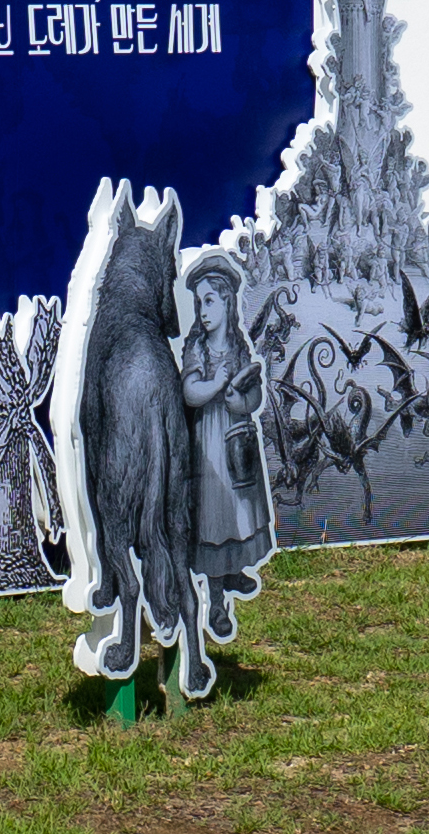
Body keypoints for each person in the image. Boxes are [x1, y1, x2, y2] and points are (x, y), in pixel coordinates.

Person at [180, 254, 275, 642]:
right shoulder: (197, 349)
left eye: (210, 301)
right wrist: (216, 385)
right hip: (210, 446)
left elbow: (254, 392)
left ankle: (236, 569)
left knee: (241, 511)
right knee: (216, 517)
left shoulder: (238, 346)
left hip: (238, 440)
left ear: (227, 302)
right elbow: (190, 392)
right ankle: (216, 602)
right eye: (199, 303)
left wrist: (242, 400)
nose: (203, 311)